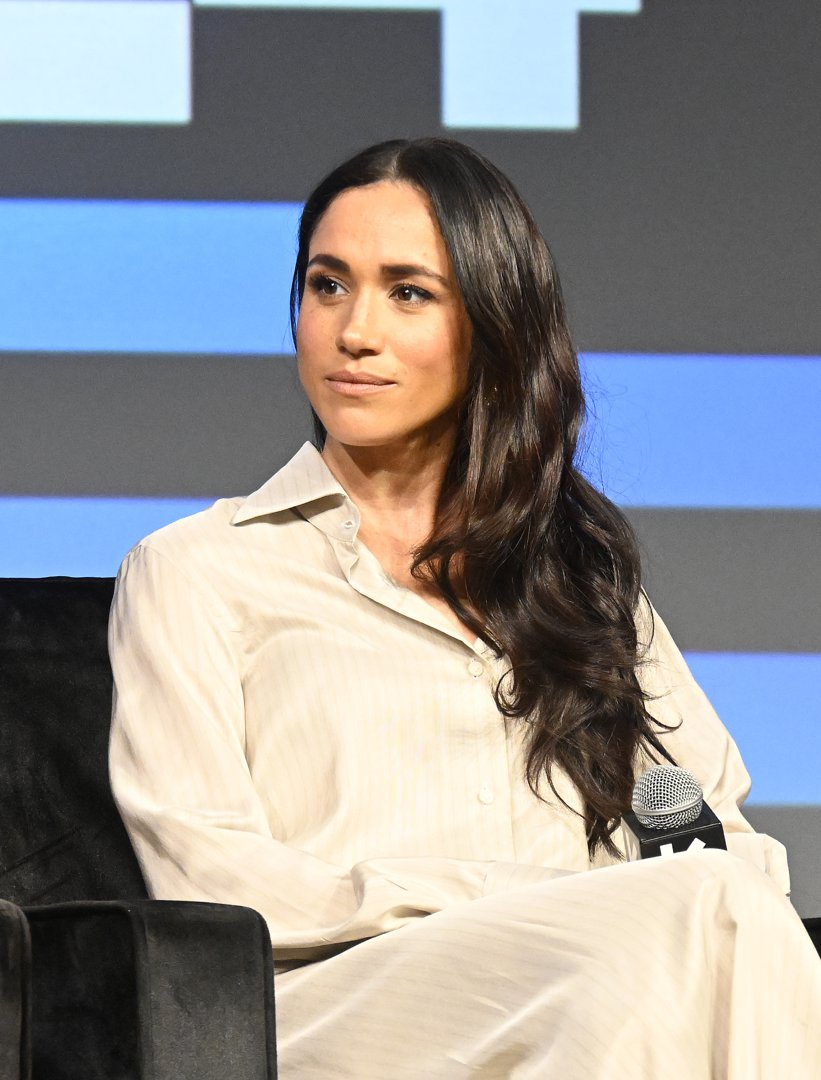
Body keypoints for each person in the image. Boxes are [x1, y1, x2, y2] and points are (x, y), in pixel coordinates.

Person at [108, 138, 821, 1078]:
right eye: (328, 285)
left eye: (408, 292)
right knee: (685, 932)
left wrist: (644, 888)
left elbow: (701, 826)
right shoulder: (200, 570)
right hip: (332, 1010)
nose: (353, 331)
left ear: (490, 326)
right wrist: (498, 900)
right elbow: (207, 881)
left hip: (597, 991)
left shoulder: (579, 582)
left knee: (715, 918)